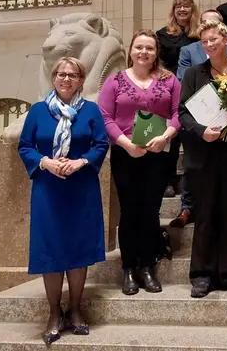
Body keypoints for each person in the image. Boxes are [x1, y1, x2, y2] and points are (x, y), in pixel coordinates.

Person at [18, 57, 109, 344]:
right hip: (49, 189)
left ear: (81, 80)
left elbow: (101, 144)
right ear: (53, 78)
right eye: (60, 74)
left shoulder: (91, 110)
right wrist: (45, 162)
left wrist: (82, 161)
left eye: (72, 75)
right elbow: (25, 146)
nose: (66, 79)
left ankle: (75, 309)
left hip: (81, 188)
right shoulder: (38, 111)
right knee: (51, 249)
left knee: (78, 248)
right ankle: (54, 312)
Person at [97, 29, 181, 296]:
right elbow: (104, 116)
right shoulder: (115, 80)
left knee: (150, 210)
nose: (144, 52)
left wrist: (166, 135)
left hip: (159, 153)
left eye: (150, 48)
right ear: (130, 51)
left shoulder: (169, 80)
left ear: (157, 53)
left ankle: (147, 266)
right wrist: (126, 144)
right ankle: (129, 269)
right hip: (126, 153)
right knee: (130, 211)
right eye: (139, 47)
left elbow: (179, 112)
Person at [178, 20, 227, 296]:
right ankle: (202, 275)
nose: (209, 45)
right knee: (205, 213)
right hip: (205, 154)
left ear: (225, 39)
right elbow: (183, 114)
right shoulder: (192, 74)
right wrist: (202, 132)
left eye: (214, 39)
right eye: (204, 42)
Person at [170, 9, 227, 229]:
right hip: (199, 124)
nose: (209, 43)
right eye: (205, 39)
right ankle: (188, 208)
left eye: (214, 27)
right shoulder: (188, 52)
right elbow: (183, 80)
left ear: (224, 34)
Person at [156, 0, 199, 198]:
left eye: (186, 6)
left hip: (195, 93)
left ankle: (190, 182)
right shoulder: (162, 35)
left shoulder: (199, 35)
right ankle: (167, 180)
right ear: (173, 10)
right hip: (169, 91)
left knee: (190, 139)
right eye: (178, 6)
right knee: (170, 141)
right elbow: (157, 63)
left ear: (192, 10)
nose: (182, 9)